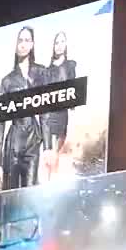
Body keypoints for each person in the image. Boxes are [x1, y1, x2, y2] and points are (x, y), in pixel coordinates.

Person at [0, 26, 47, 190]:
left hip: (33, 140)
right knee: (11, 194)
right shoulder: (7, 81)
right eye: (20, 40)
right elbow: (0, 123)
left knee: (30, 193)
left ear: (32, 44)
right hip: (13, 143)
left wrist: (48, 147)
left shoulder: (41, 72)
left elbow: (45, 112)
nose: (23, 44)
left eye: (27, 40)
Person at [41, 31, 77, 178]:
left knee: (58, 151)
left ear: (66, 44)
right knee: (49, 154)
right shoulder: (46, 70)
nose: (59, 45)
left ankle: (52, 180)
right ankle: (48, 183)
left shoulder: (70, 66)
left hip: (63, 115)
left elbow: (73, 89)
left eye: (62, 42)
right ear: (53, 46)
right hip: (48, 116)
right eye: (57, 42)